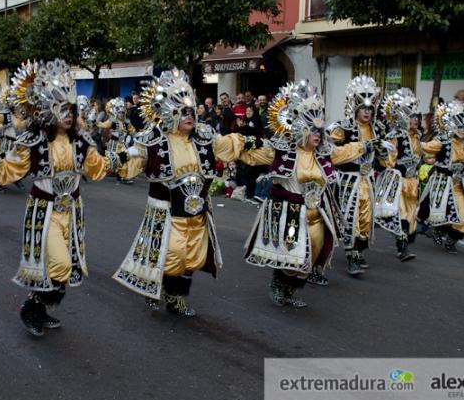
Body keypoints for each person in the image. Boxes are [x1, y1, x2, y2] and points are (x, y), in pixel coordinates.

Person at [0, 59, 115, 337]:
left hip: (72, 212)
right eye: (62, 109)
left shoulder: (81, 141)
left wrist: (121, 158)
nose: (67, 115)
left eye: (71, 110)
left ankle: (41, 310)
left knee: (64, 266)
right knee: (59, 264)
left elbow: (97, 168)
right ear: (49, 110)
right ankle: (31, 309)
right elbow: (8, 169)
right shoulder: (34, 141)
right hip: (45, 211)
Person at [113, 69, 261, 317]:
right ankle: (160, 286)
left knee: (193, 257)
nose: (190, 115)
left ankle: (175, 296)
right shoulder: (153, 139)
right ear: (170, 113)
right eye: (184, 112)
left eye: (192, 110)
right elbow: (131, 161)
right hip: (166, 212)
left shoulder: (205, 137)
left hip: (197, 212)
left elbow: (230, 146)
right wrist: (112, 161)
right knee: (172, 255)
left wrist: (257, 144)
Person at [239, 81, 367, 306]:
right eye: (314, 130)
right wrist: (234, 144)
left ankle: (291, 291)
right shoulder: (282, 150)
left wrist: (367, 146)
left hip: (316, 214)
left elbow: (344, 152)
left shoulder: (325, 152)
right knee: (291, 257)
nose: (318, 134)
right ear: (301, 129)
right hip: (289, 213)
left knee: (312, 256)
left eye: (320, 129)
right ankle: (278, 287)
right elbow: (252, 155)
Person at [328, 75, 394, 277]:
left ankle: (359, 250)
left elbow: (384, 160)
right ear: (356, 109)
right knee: (352, 218)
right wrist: (363, 147)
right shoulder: (343, 128)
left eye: (370, 109)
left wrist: (383, 153)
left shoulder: (378, 129)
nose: (367, 112)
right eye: (364, 108)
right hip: (349, 181)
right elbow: (332, 154)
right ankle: (352, 255)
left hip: (368, 181)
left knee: (366, 219)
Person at [417, 100, 464, 254]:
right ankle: (437, 230)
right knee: (442, 214)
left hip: (458, 185)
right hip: (442, 184)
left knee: (463, 218)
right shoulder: (443, 141)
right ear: (451, 125)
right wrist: (413, 139)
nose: (463, 130)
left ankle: (450, 240)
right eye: (459, 126)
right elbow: (424, 147)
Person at [374, 88, 422, 262]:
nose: (415, 120)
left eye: (416, 116)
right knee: (401, 214)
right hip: (398, 182)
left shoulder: (418, 136)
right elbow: (388, 161)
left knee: (411, 217)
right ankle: (402, 248)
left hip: (413, 182)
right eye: (411, 116)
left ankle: (404, 241)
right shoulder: (394, 136)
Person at [97, 97, 134, 184]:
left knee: (125, 158)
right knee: (111, 161)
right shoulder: (112, 121)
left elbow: (132, 130)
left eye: (122, 113)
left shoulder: (127, 122)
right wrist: (95, 122)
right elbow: (103, 125)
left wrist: (136, 135)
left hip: (122, 144)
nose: (121, 114)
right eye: (119, 113)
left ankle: (122, 176)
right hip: (113, 144)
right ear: (116, 113)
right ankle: (100, 171)